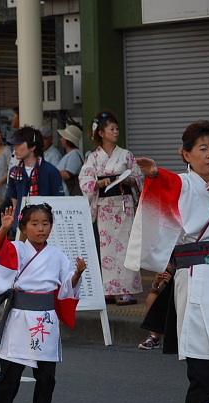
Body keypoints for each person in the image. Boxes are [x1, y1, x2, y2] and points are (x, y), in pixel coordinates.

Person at [126, 120, 209, 403]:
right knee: (203, 374)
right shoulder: (184, 184)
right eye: (203, 148)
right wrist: (154, 173)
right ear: (186, 154)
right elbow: (167, 182)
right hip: (197, 278)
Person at [0, 204, 86, 403]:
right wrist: (4, 230)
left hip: (46, 318)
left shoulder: (58, 255)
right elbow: (0, 253)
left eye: (45, 223)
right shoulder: (17, 249)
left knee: (46, 375)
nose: (41, 229)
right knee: (11, 372)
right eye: (35, 224)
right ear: (24, 227)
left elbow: (66, 288)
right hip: (20, 318)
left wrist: (78, 274)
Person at [79, 111, 143, 306]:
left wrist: (129, 180)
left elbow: (138, 177)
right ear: (101, 133)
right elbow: (84, 179)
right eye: (112, 129)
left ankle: (125, 290)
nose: (116, 132)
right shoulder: (93, 157)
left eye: (117, 128)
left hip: (123, 204)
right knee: (106, 248)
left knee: (125, 246)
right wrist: (98, 183)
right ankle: (108, 289)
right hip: (105, 206)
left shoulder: (126, 155)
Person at [5, 126, 64, 220]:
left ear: (32, 147)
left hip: (44, 223)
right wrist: (15, 220)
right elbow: (14, 200)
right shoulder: (14, 172)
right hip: (21, 223)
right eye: (14, 145)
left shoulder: (50, 171)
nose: (15, 148)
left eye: (19, 144)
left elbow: (59, 200)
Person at [138, 267, 173, 350]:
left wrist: (173, 282)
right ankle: (154, 337)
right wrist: (156, 283)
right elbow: (155, 290)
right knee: (152, 296)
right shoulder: (165, 269)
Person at [56, 125, 84, 196]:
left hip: (69, 194)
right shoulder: (72, 154)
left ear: (67, 140)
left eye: (63, 137)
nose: (61, 139)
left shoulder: (74, 154)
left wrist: (51, 172)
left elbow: (67, 174)